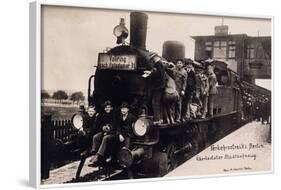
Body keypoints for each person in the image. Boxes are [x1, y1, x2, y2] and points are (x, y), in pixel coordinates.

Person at [89, 101, 117, 167]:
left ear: (111, 108)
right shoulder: (103, 115)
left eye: (109, 107)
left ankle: (98, 155)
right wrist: (103, 128)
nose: (107, 109)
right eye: (106, 107)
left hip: (113, 133)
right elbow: (100, 125)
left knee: (105, 138)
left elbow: (116, 126)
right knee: (96, 137)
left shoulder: (114, 115)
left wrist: (109, 128)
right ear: (104, 108)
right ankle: (94, 152)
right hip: (104, 132)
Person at [145, 54, 166, 124]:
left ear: (156, 57)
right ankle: (157, 118)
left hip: (158, 87)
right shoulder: (159, 64)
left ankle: (157, 119)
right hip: (158, 86)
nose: (152, 59)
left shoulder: (158, 64)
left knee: (155, 102)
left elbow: (159, 74)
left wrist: (150, 73)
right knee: (155, 102)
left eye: (153, 58)